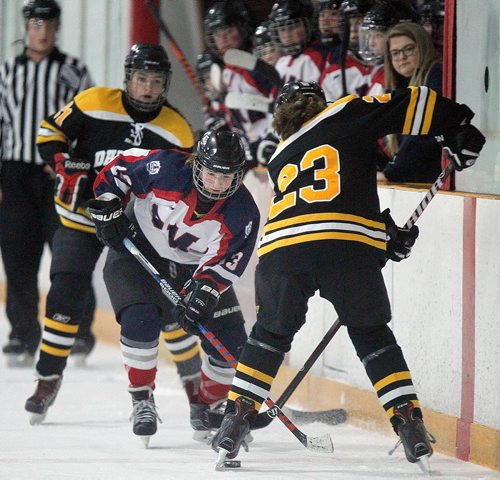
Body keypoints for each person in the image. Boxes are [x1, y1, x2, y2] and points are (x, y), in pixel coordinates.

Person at [211, 80, 485, 468]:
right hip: (345, 247)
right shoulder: (345, 112)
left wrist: (382, 239)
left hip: (280, 251)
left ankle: (234, 420)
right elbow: (413, 100)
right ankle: (408, 423)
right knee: (372, 334)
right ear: (320, 103)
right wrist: (456, 123)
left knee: (269, 336)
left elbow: (319, 211)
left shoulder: (280, 156)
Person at [24, 43, 201, 424]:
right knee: (64, 291)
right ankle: (47, 377)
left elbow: (188, 184)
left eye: (156, 81)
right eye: (141, 79)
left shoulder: (176, 128)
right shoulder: (93, 101)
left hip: (138, 227)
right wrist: (61, 161)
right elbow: (49, 130)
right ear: (127, 79)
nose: (148, 89)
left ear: (165, 84)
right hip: (81, 215)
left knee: (166, 303)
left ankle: (193, 382)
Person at [86, 128, 260, 444]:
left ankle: (207, 408)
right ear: (197, 164)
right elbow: (118, 169)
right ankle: (141, 400)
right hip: (137, 249)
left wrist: (205, 292)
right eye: (211, 174)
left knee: (232, 345)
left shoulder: (243, 212)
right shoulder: (164, 168)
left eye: (227, 177)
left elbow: (226, 260)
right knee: (140, 319)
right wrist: (110, 205)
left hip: (195, 269)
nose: (218, 184)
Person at [0, 0, 93, 367]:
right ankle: (23, 334)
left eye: (48, 24)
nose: (42, 31)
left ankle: (79, 331)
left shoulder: (72, 71)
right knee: (18, 258)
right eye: (36, 24)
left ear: (56, 29)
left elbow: (89, 122)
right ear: (27, 28)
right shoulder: (7, 72)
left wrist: (78, 165)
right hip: (15, 175)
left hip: (59, 174)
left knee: (70, 253)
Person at [377, 22, 443, 183]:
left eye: (409, 49)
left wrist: (391, 172)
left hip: (436, 180)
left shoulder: (437, 77)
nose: (402, 57)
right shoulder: (397, 88)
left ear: (423, 47)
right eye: (395, 53)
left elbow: (423, 133)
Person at [268, 0, 326, 84]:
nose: (287, 35)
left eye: (292, 27)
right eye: (282, 29)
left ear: (307, 26)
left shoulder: (317, 56)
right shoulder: (282, 62)